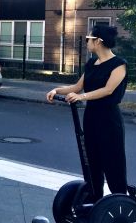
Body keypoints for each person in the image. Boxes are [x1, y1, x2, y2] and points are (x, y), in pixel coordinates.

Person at [46, 25, 129, 200]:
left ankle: (119, 200)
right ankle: (94, 197)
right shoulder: (92, 63)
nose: (86, 42)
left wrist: (81, 97)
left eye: (88, 39)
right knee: (92, 160)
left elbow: (108, 90)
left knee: (112, 160)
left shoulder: (119, 65)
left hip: (109, 119)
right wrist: (56, 90)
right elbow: (76, 87)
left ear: (98, 41)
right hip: (91, 118)